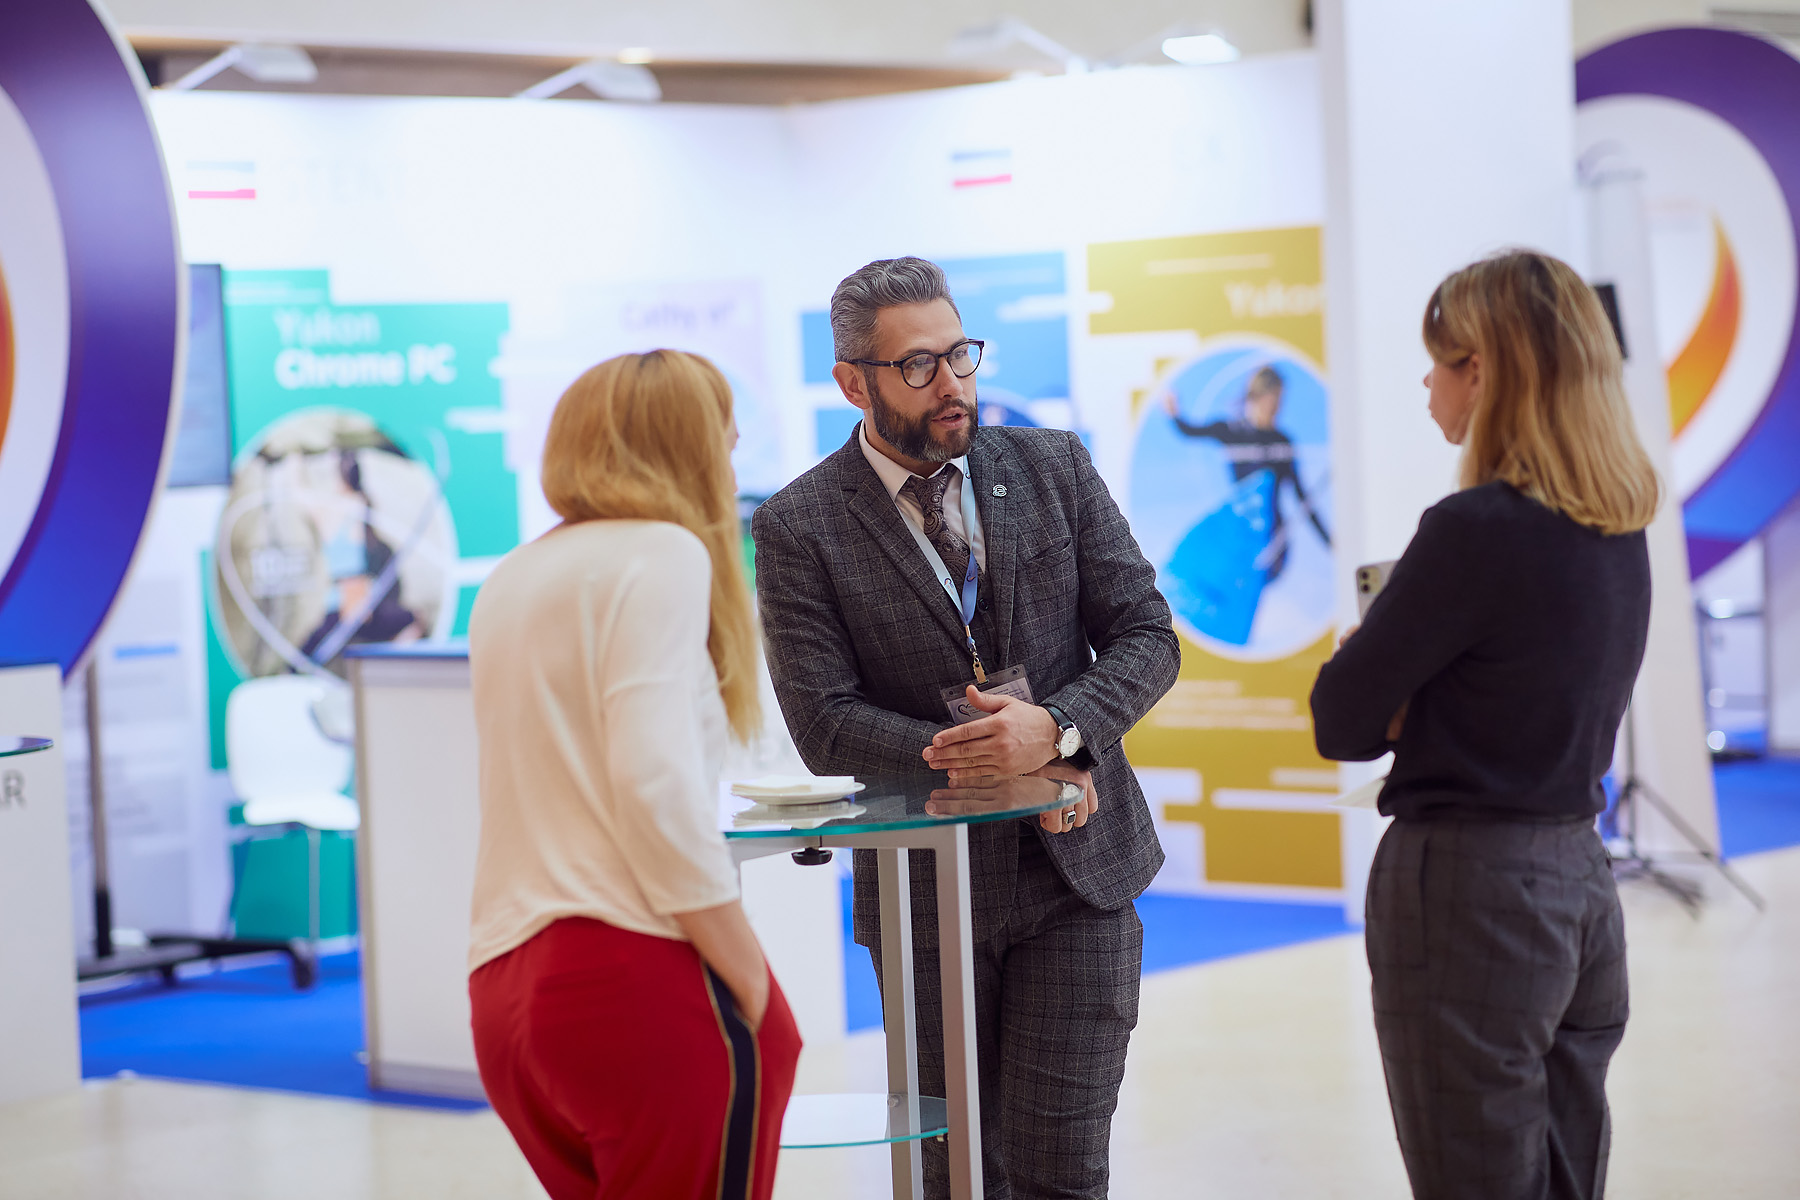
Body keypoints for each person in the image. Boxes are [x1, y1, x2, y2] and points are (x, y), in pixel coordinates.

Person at [752, 256, 1179, 1198]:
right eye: (918, 365)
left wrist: (1057, 729)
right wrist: (986, 757)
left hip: (1079, 871)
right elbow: (824, 722)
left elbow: (1148, 636)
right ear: (852, 383)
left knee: (1062, 1171)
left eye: (960, 354)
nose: (951, 383)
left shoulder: (1052, 466)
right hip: (925, 893)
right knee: (954, 1173)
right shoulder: (799, 524)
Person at [1310, 250, 1660, 1200]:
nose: (1427, 382)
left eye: (1441, 360)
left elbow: (1342, 718)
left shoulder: (1472, 531)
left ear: (1486, 371)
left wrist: (1393, 683)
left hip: (1473, 891)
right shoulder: (1617, 527)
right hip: (1580, 880)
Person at [466, 350, 801, 1200]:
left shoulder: (514, 575)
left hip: (506, 989)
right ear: (686, 451)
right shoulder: (664, 554)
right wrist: (749, 975)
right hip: (632, 975)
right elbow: (651, 782)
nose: (732, 475)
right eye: (724, 448)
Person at [1163, 364, 1331, 583]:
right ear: (1257, 396)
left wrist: (1330, 541)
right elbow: (1190, 431)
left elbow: (1302, 498)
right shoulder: (1232, 431)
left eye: (1280, 400)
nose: (1277, 407)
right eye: (1273, 399)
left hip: (1273, 536)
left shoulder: (1282, 441)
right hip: (1241, 528)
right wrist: (1174, 414)